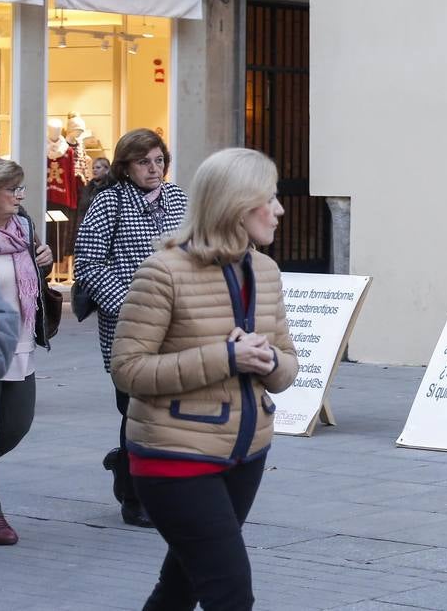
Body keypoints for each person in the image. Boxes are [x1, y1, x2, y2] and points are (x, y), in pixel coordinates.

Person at [111, 147, 298, 609]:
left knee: (182, 585)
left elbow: (288, 366)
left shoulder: (267, 271)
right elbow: (128, 369)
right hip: (173, 457)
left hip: (246, 453)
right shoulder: (164, 271)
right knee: (230, 591)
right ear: (236, 204)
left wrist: (268, 361)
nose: (278, 210)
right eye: (268, 198)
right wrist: (225, 357)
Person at [74, 129, 188, 527]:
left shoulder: (178, 199)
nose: (153, 169)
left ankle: (129, 469)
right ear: (126, 166)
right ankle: (134, 495)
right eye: (144, 162)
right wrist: (132, 306)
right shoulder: (109, 203)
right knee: (136, 409)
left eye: (158, 160)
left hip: (176, 327)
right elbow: (87, 264)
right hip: (129, 328)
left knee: (165, 412)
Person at [0, 157, 55, 546]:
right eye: (11, 189)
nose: (18, 196)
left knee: (16, 426)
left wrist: (43, 260)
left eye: (20, 189)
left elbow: (27, 278)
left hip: (21, 340)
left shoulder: (23, 227)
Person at [76, 156, 113, 225]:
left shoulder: (111, 188)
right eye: (93, 168)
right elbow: (82, 211)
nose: (94, 170)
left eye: (98, 168)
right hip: (88, 226)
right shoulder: (88, 188)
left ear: (107, 170)